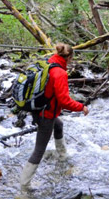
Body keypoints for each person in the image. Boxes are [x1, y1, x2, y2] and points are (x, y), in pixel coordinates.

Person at [20, 43, 89, 190]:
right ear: (69, 58)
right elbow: (64, 101)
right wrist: (81, 107)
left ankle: (62, 155)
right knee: (39, 150)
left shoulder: (48, 63)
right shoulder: (60, 73)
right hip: (46, 113)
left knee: (59, 125)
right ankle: (24, 185)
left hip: (38, 108)